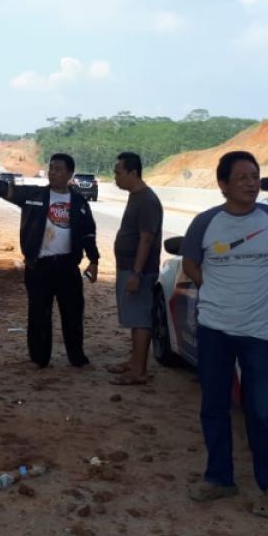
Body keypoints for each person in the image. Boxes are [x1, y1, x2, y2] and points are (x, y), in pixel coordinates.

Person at [183, 150, 268, 520]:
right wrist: (215, 291)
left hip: (261, 333)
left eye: (255, 176)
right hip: (215, 329)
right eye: (242, 177)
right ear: (222, 184)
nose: (251, 183)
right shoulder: (205, 223)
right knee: (213, 407)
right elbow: (190, 264)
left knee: (264, 412)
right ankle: (219, 478)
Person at [0, 153, 98, 368]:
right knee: (38, 314)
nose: (53, 172)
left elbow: (88, 232)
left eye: (59, 169)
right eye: (51, 168)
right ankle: (39, 359)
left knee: (73, 314)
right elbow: (4, 189)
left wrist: (94, 260)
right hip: (38, 267)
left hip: (68, 268)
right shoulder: (34, 195)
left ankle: (77, 357)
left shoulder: (79, 202)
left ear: (70, 174)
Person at [106, 151, 163, 386]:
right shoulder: (135, 196)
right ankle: (134, 362)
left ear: (133, 172)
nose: (116, 178)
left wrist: (136, 273)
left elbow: (146, 239)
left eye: (119, 173)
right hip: (128, 268)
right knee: (134, 317)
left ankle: (138, 371)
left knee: (140, 321)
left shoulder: (147, 200)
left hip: (138, 270)